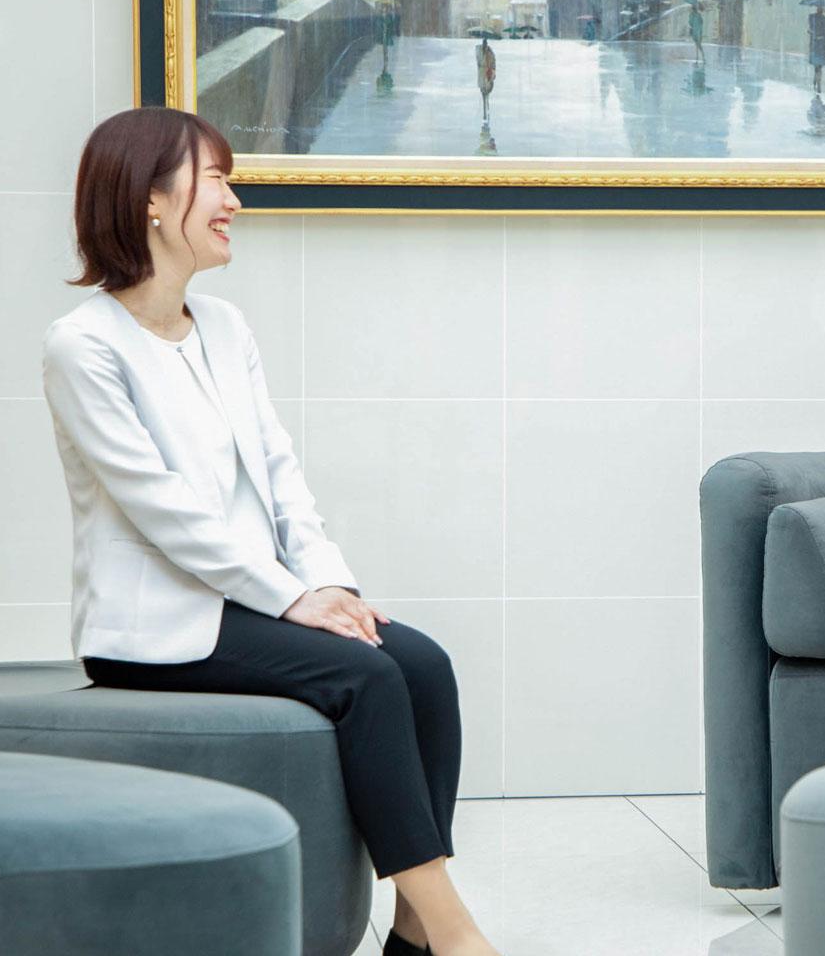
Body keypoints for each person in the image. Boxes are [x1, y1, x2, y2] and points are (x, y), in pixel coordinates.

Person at [42, 107, 501, 956]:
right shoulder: (83, 347)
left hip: (255, 601)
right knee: (366, 678)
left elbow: (280, 473)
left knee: (423, 666)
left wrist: (329, 585)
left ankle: (413, 934)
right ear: (149, 199)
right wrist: (293, 600)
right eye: (216, 179)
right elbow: (163, 512)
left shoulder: (224, 327)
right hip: (155, 626)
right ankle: (457, 933)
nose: (234, 201)